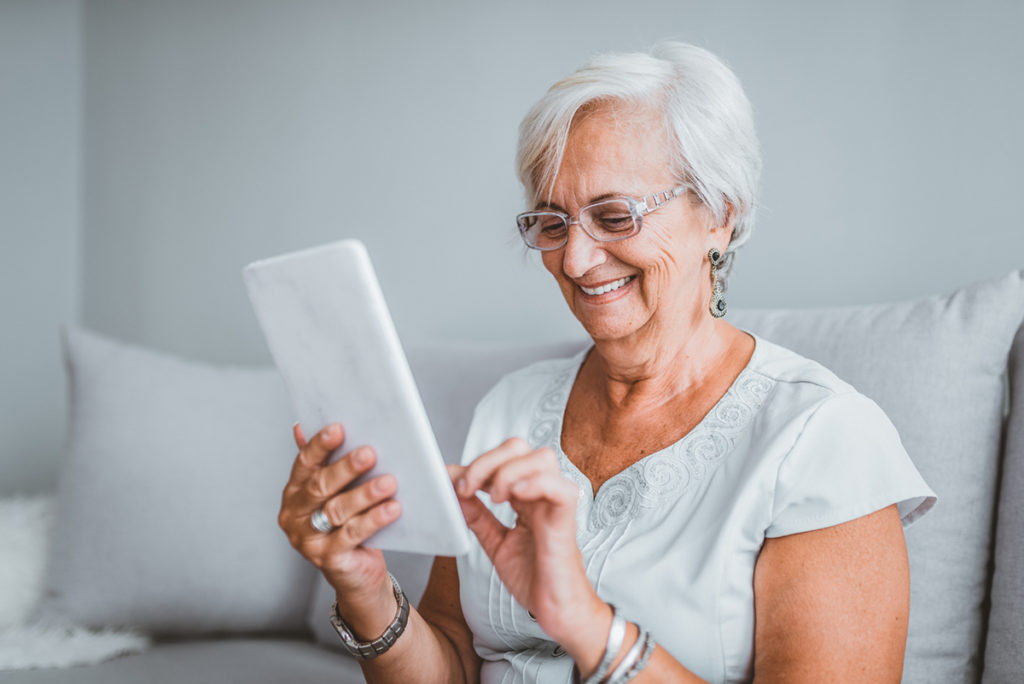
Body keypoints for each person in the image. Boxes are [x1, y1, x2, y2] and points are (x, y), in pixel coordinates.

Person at [278, 42, 936, 683]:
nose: (574, 260)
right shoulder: (508, 408)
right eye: (553, 223)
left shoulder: (823, 439)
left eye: (615, 216)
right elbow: (453, 665)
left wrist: (590, 627)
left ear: (721, 216)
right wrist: (364, 589)